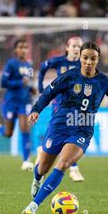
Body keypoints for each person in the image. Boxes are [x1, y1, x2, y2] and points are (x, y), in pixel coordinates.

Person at [22, 41, 108, 214]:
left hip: (82, 131)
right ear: (80, 58)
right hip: (59, 126)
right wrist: (36, 110)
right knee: (43, 167)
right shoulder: (68, 77)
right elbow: (48, 93)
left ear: (98, 60)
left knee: (64, 164)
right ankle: (37, 176)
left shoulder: (105, 83)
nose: (89, 62)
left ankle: (33, 205)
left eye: (93, 59)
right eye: (85, 58)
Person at [37, 36, 85, 182]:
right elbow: (43, 67)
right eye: (74, 46)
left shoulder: (83, 63)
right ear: (67, 48)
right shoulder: (58, 61)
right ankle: (74, 169)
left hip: (76, 102)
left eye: (79, 46)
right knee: (64, 129)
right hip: (60, 101)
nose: (77, 49)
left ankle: (44, 149)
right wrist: (41, 87)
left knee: (75, 131)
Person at [0, 39, 35, 171]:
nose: (24, 49)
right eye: (21, 47)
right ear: (15, 50)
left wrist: (31, 89)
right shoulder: (11, 64)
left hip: (25, 102)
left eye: (26, 47)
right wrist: (20, 83)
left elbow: (29, 82)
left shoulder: (29, 65)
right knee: (8, 133)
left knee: (25, 128)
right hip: (10, 102)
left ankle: (26, 161)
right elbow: (3, 83)